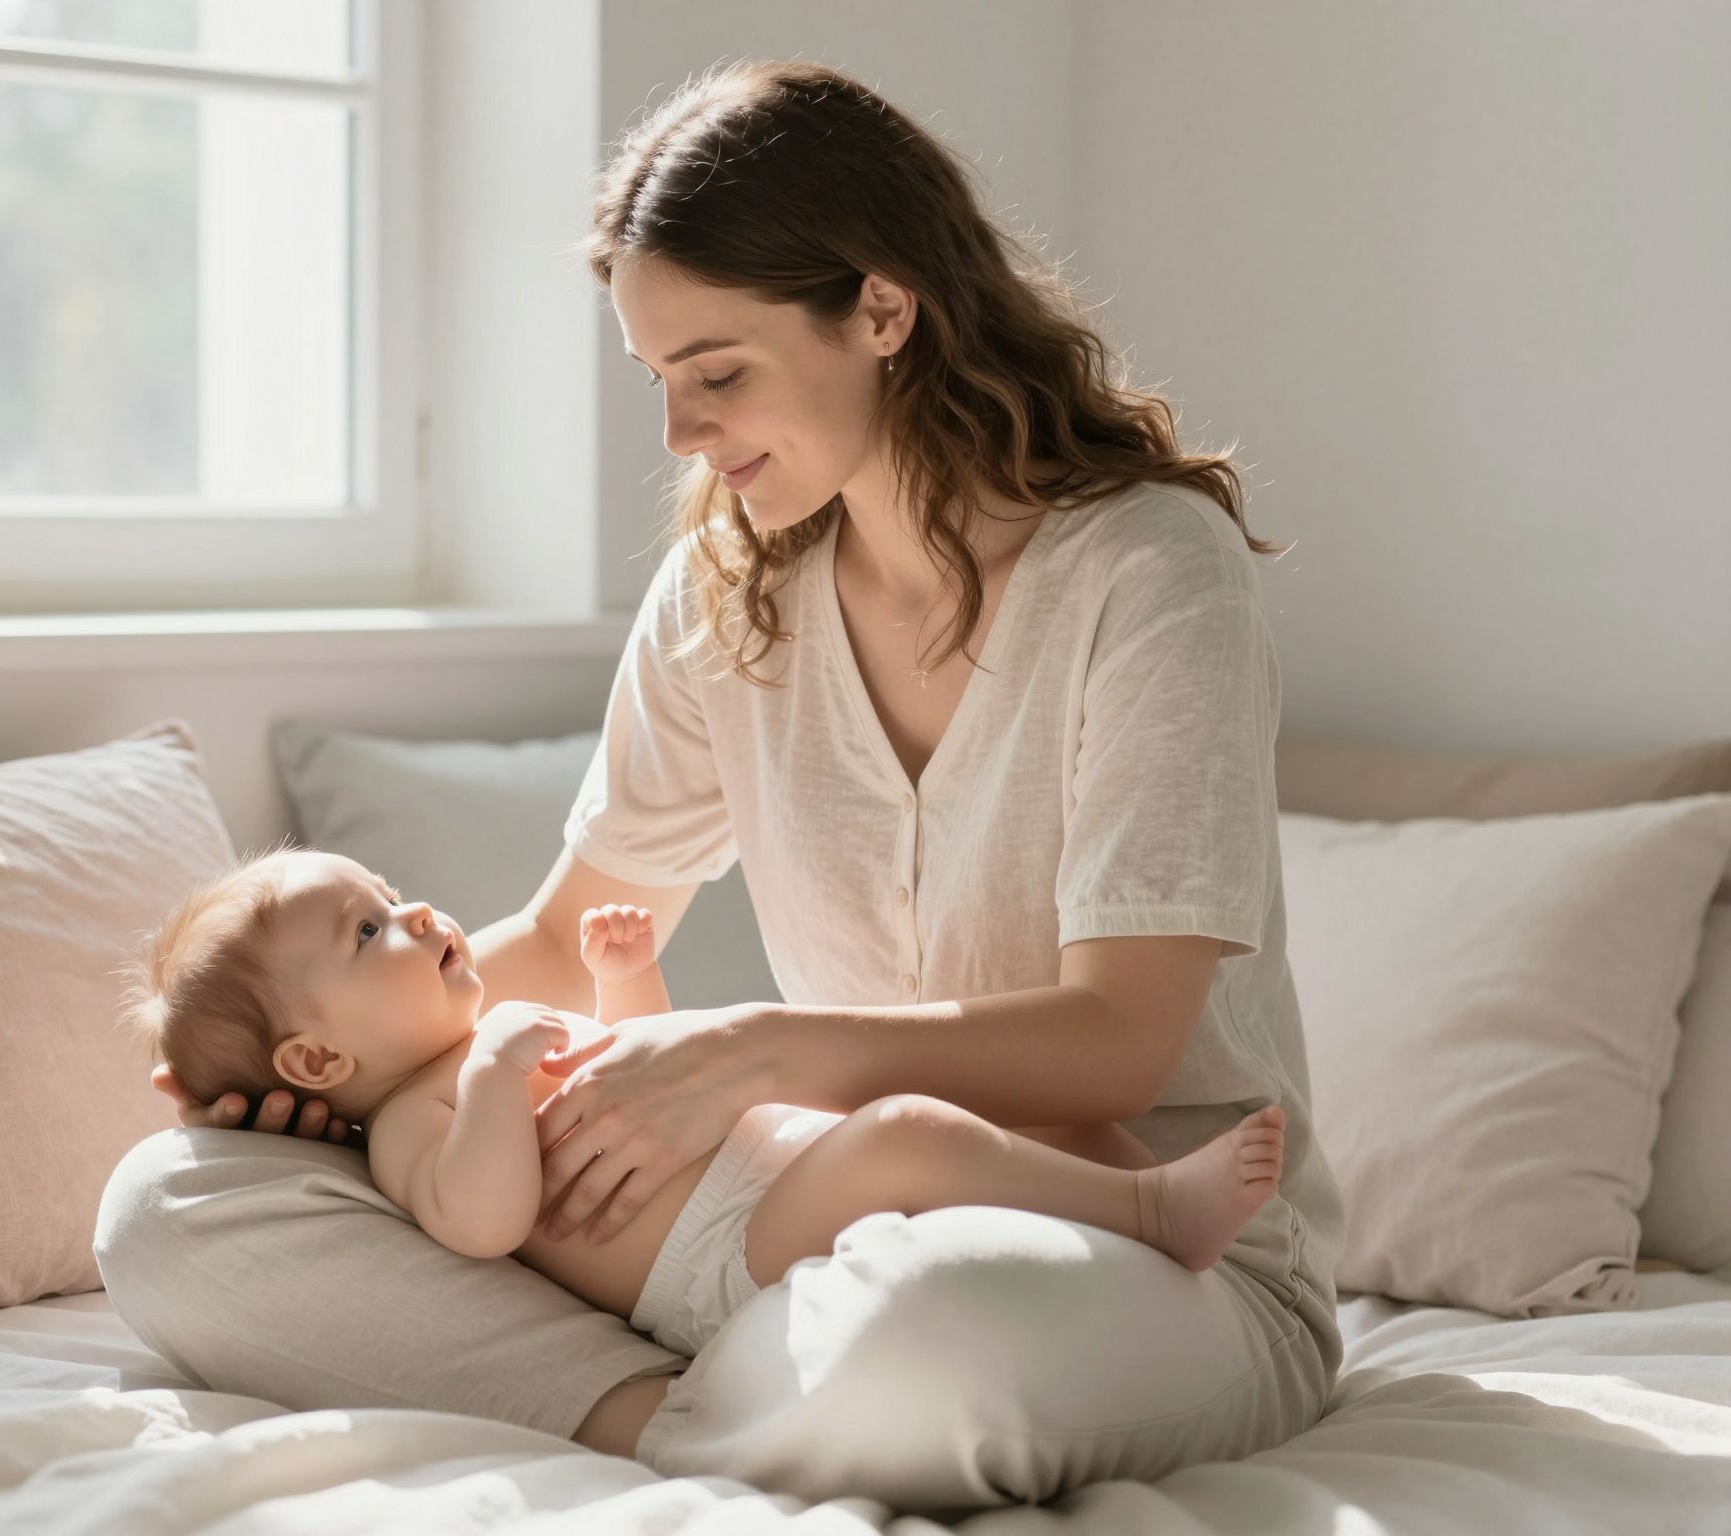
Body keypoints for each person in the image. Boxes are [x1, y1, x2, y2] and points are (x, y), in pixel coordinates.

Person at [94, 57, 1345, 1513]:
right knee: (168, 1209)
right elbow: (565, 942)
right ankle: (653, 1406)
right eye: (659, 381)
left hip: (1125, 1244)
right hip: (792, 1225)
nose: (683, 434)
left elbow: (1120, 1044)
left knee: (928, 1332)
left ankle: (700, 1398)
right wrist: (318, 1071)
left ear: (883, 310)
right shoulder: (727, 589)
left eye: (719, 371)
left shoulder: (1146, 571)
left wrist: (755, 1051)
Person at [117, 846, 1289, 1359]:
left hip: (770, 1169)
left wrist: (622, 982)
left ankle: (1113, 1217)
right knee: (911, 1131)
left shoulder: (493, 1039)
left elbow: (650, 1064)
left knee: (975, 1113)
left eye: (388, 892)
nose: (415, 915)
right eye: (366, 930)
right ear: (317, 1065)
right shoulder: (422, 1119)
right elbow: (479, 1223)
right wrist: (488, 1079)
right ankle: (1147, 1214)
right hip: (716, 1253)